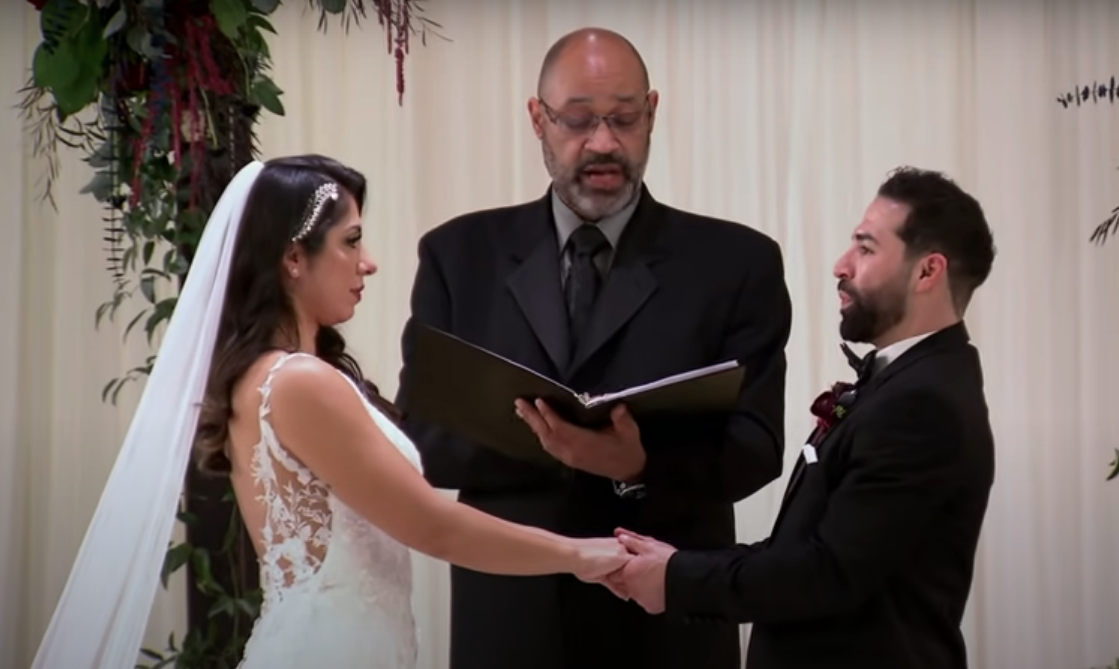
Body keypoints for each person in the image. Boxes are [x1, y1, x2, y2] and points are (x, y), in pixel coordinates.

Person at [29, 155, 630, 669]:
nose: (368, 262)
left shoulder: (270, 377)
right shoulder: (298, 382)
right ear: (294, 258)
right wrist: (580, 555)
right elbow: (431, 526)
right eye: (351, 241)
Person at [394, 28, 792, 669]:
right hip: (508, 620)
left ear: (653, 113)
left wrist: (638, 466)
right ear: (537, 119)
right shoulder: (458, 255)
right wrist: (566, 446)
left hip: (665, 628)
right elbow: (424, 444)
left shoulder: (736, 263)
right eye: (578, 119)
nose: (603, 143)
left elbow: (756, 450)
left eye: (624, 119)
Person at [611, 167, 997, 669]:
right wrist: (675, 565)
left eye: (865, 248)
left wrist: (676, 577)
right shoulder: (908, 384)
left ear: (928, 272)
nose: (841, 264)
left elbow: (829, 573)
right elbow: (807, 550)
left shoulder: (922, 404)